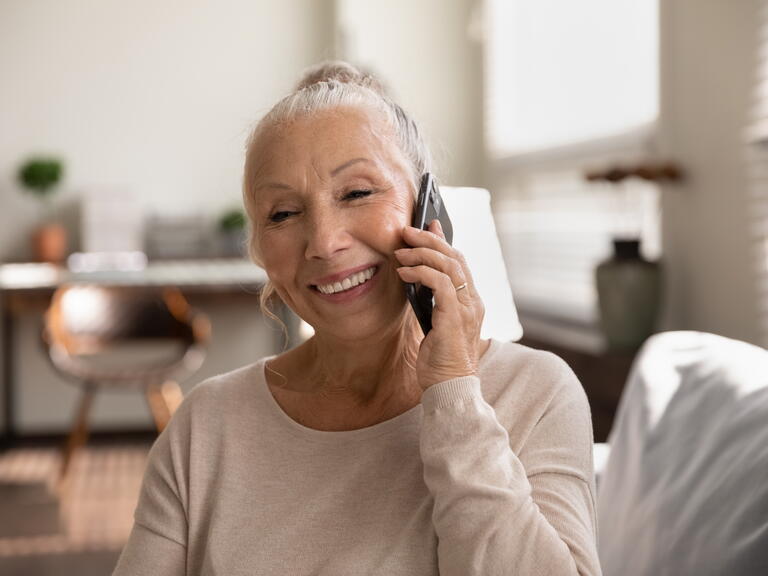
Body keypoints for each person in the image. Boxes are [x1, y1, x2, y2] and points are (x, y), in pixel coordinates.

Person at [113, 61, 602, 576]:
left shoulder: (536, 393)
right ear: (260, 251)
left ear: (429, 211)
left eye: (357, 193)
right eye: (283, 213)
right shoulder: (205, 425)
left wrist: (454, 393)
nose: (324, 243)